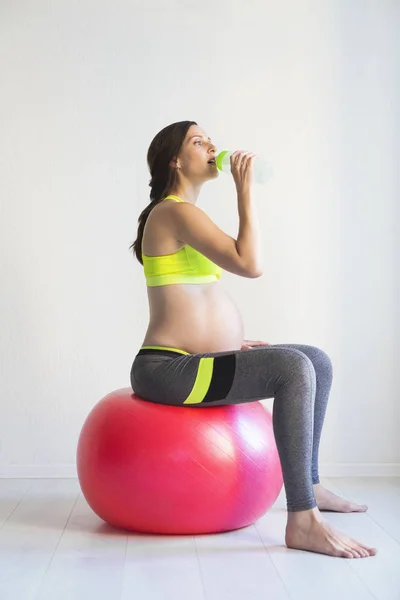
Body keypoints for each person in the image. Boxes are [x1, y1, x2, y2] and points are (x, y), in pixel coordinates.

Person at [129, 120, 377, 559]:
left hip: (194, 361)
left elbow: (193, 302)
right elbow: (250, 263)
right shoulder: (173, 210)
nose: (212, 146)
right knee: (292, 369)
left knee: (313, 359)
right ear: (175, 159)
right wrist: (245, 190)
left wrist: (228, 343)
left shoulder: (182, 214)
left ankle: (311, 484)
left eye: (210, 139)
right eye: (198, 141)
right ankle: (302, 520)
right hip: (167, 370)